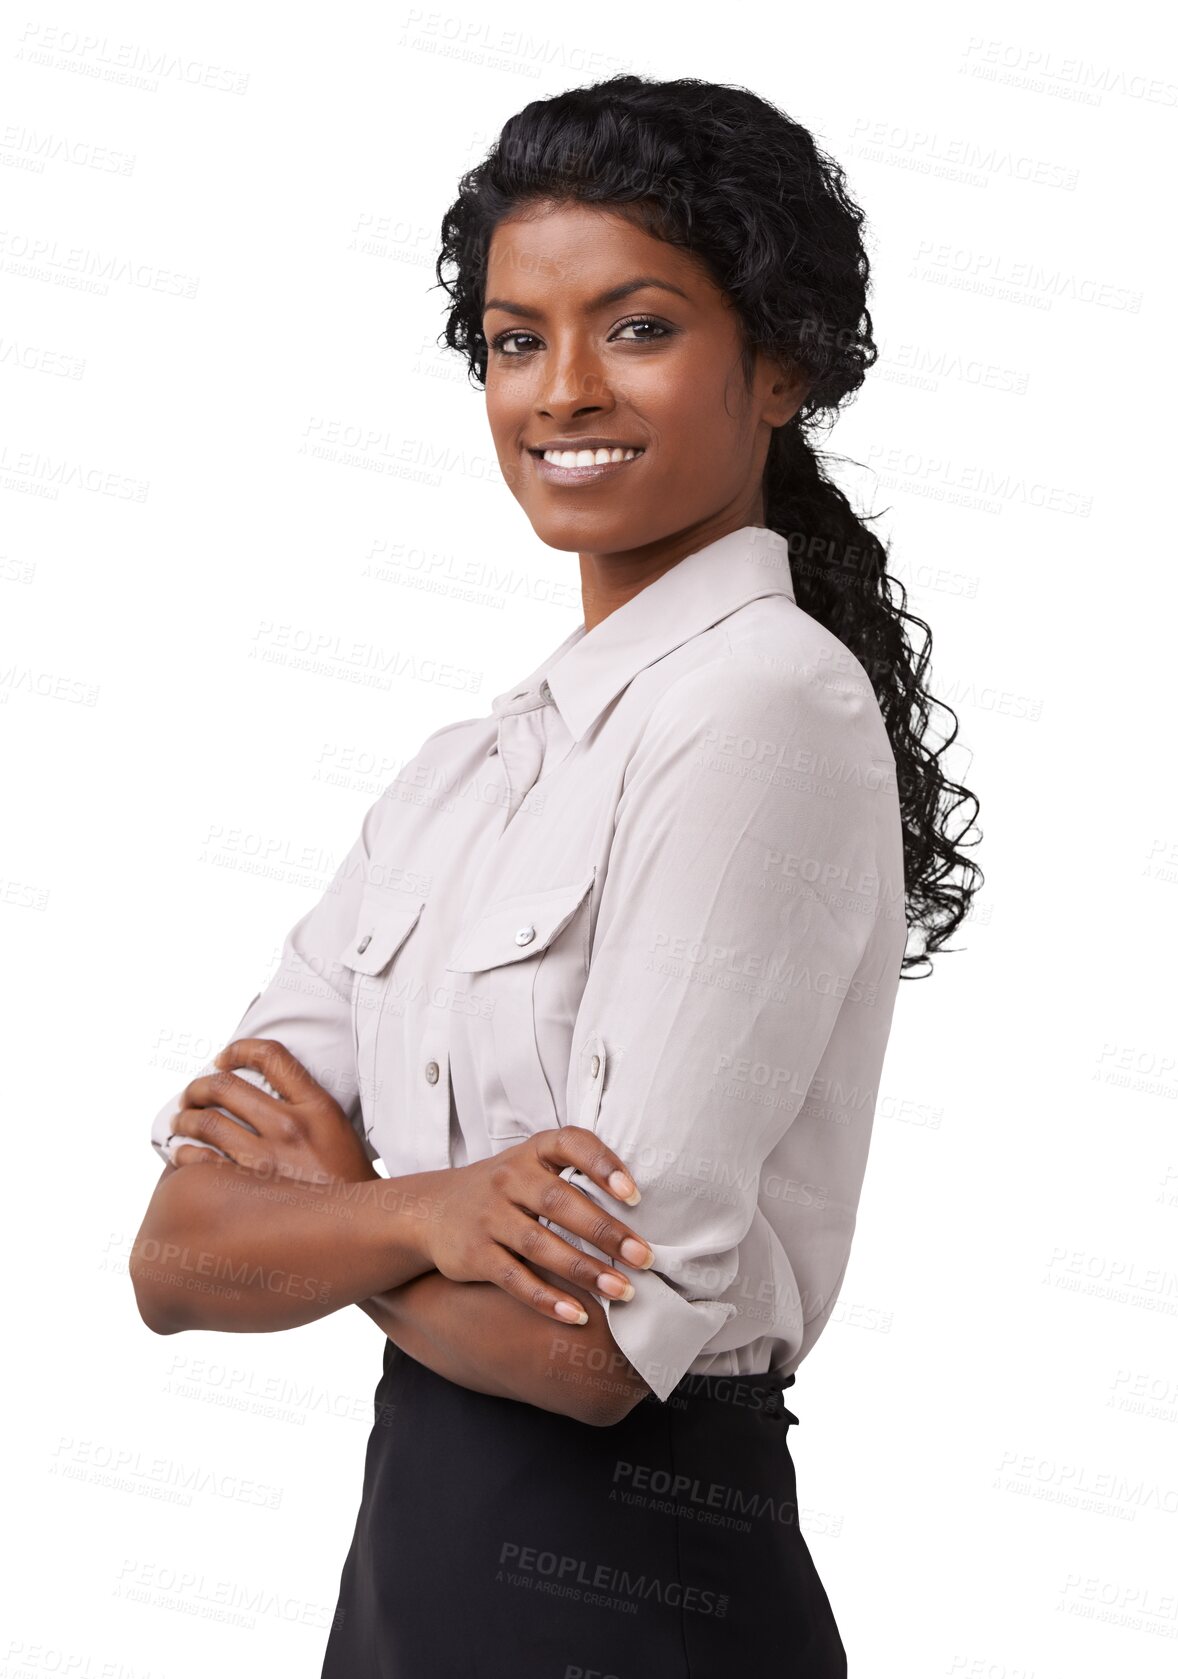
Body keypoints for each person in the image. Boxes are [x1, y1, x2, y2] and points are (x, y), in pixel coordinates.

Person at [131, 73, 982, 1678]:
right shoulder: (467, 772)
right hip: (407, 1589)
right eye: (515, 340)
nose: (562, 391)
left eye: (639, 327)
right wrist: (437, 1215)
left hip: (644, 1596)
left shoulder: (759, 706)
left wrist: (332, 1211)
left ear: (777, 362)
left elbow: (590, 1352)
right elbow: (174, 1258)